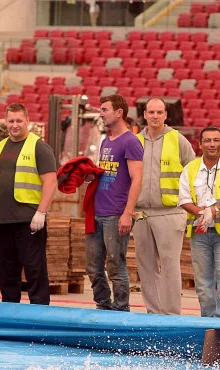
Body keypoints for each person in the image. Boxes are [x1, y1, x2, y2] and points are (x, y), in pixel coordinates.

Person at [0, 103, 58, 305]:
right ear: (6, 122)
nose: (14, 125)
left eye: (19, 120)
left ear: (27, 121)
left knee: (34, 269)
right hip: (4, 220)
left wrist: (41, 213)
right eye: (11, 121)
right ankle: (10, 311)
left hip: (29, 221)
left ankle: (39, 313)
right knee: (6, 270)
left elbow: (51, 181)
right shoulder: (0, 148)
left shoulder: (39, 147)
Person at [133, 97, 196, 315]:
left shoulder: (178, 140)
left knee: (170, 265)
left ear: (166, 115)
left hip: (170, 211)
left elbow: (193, 171)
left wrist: (190, 207)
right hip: (141, 213)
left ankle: (171, 315)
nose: (155, 116)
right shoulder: (135, 140)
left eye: (159, 112)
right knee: (146, 266)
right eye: (151, 112)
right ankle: (153, 312)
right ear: (144, 115)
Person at [179, 126, 220, 318]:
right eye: (207, 140)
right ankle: (207, 322)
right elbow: (184, 199)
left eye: (216, 140)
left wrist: (214, 211)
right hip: (199, 233)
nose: (212, 144)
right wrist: (201, 212)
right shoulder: (190, 168)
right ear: (200, 144)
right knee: (202, 282)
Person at [88, 94, 143, 312]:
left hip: (115, 213)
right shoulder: (105, 141)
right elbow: (108, 173)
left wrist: (127, 213)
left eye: (104, 109)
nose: (101, 113)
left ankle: (121, 310)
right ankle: (103, 304)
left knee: (115, 264)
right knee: (93, 266)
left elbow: (136, 178)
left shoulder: (131, 141)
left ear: (119, 112)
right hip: (97, 211)